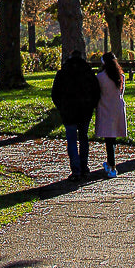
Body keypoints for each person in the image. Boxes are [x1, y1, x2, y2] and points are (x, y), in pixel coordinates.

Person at [51, 49, 101, 181]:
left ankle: (75, 170)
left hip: (69, 112)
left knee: (72, 141)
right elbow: (96, 92)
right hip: (85, 111)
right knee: (84, 139)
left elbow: (55, 94)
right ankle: (84, 167)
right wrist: (92, 106)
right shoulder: (88, 73)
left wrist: (61, 107)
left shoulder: (62, 73)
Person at [94, 51, 127, 179]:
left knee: (108, 138)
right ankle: (110, 163)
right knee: (112, 138)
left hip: (105, 107)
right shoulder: (120, 76)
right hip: (117, 108)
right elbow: (121, 93)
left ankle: (112, 167)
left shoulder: (100, 77)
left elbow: (98, 93)